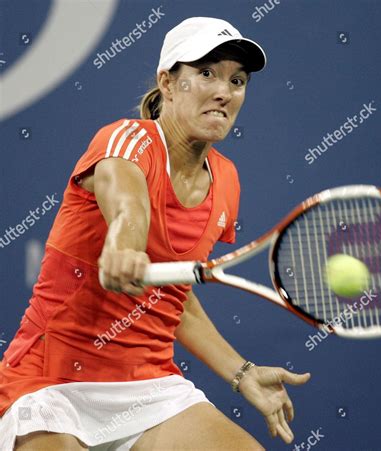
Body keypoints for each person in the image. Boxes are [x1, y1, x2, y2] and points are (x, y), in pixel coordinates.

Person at [0, 17, 311, 450]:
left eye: (237, 80)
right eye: (206, 74)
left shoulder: (226, 180)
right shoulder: (126, 141)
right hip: (50, 382)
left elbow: (173, 300)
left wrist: (242, 373)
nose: (224, 91)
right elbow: (127, 204)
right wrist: (124, 247)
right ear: (167, 82)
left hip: (149, 388)